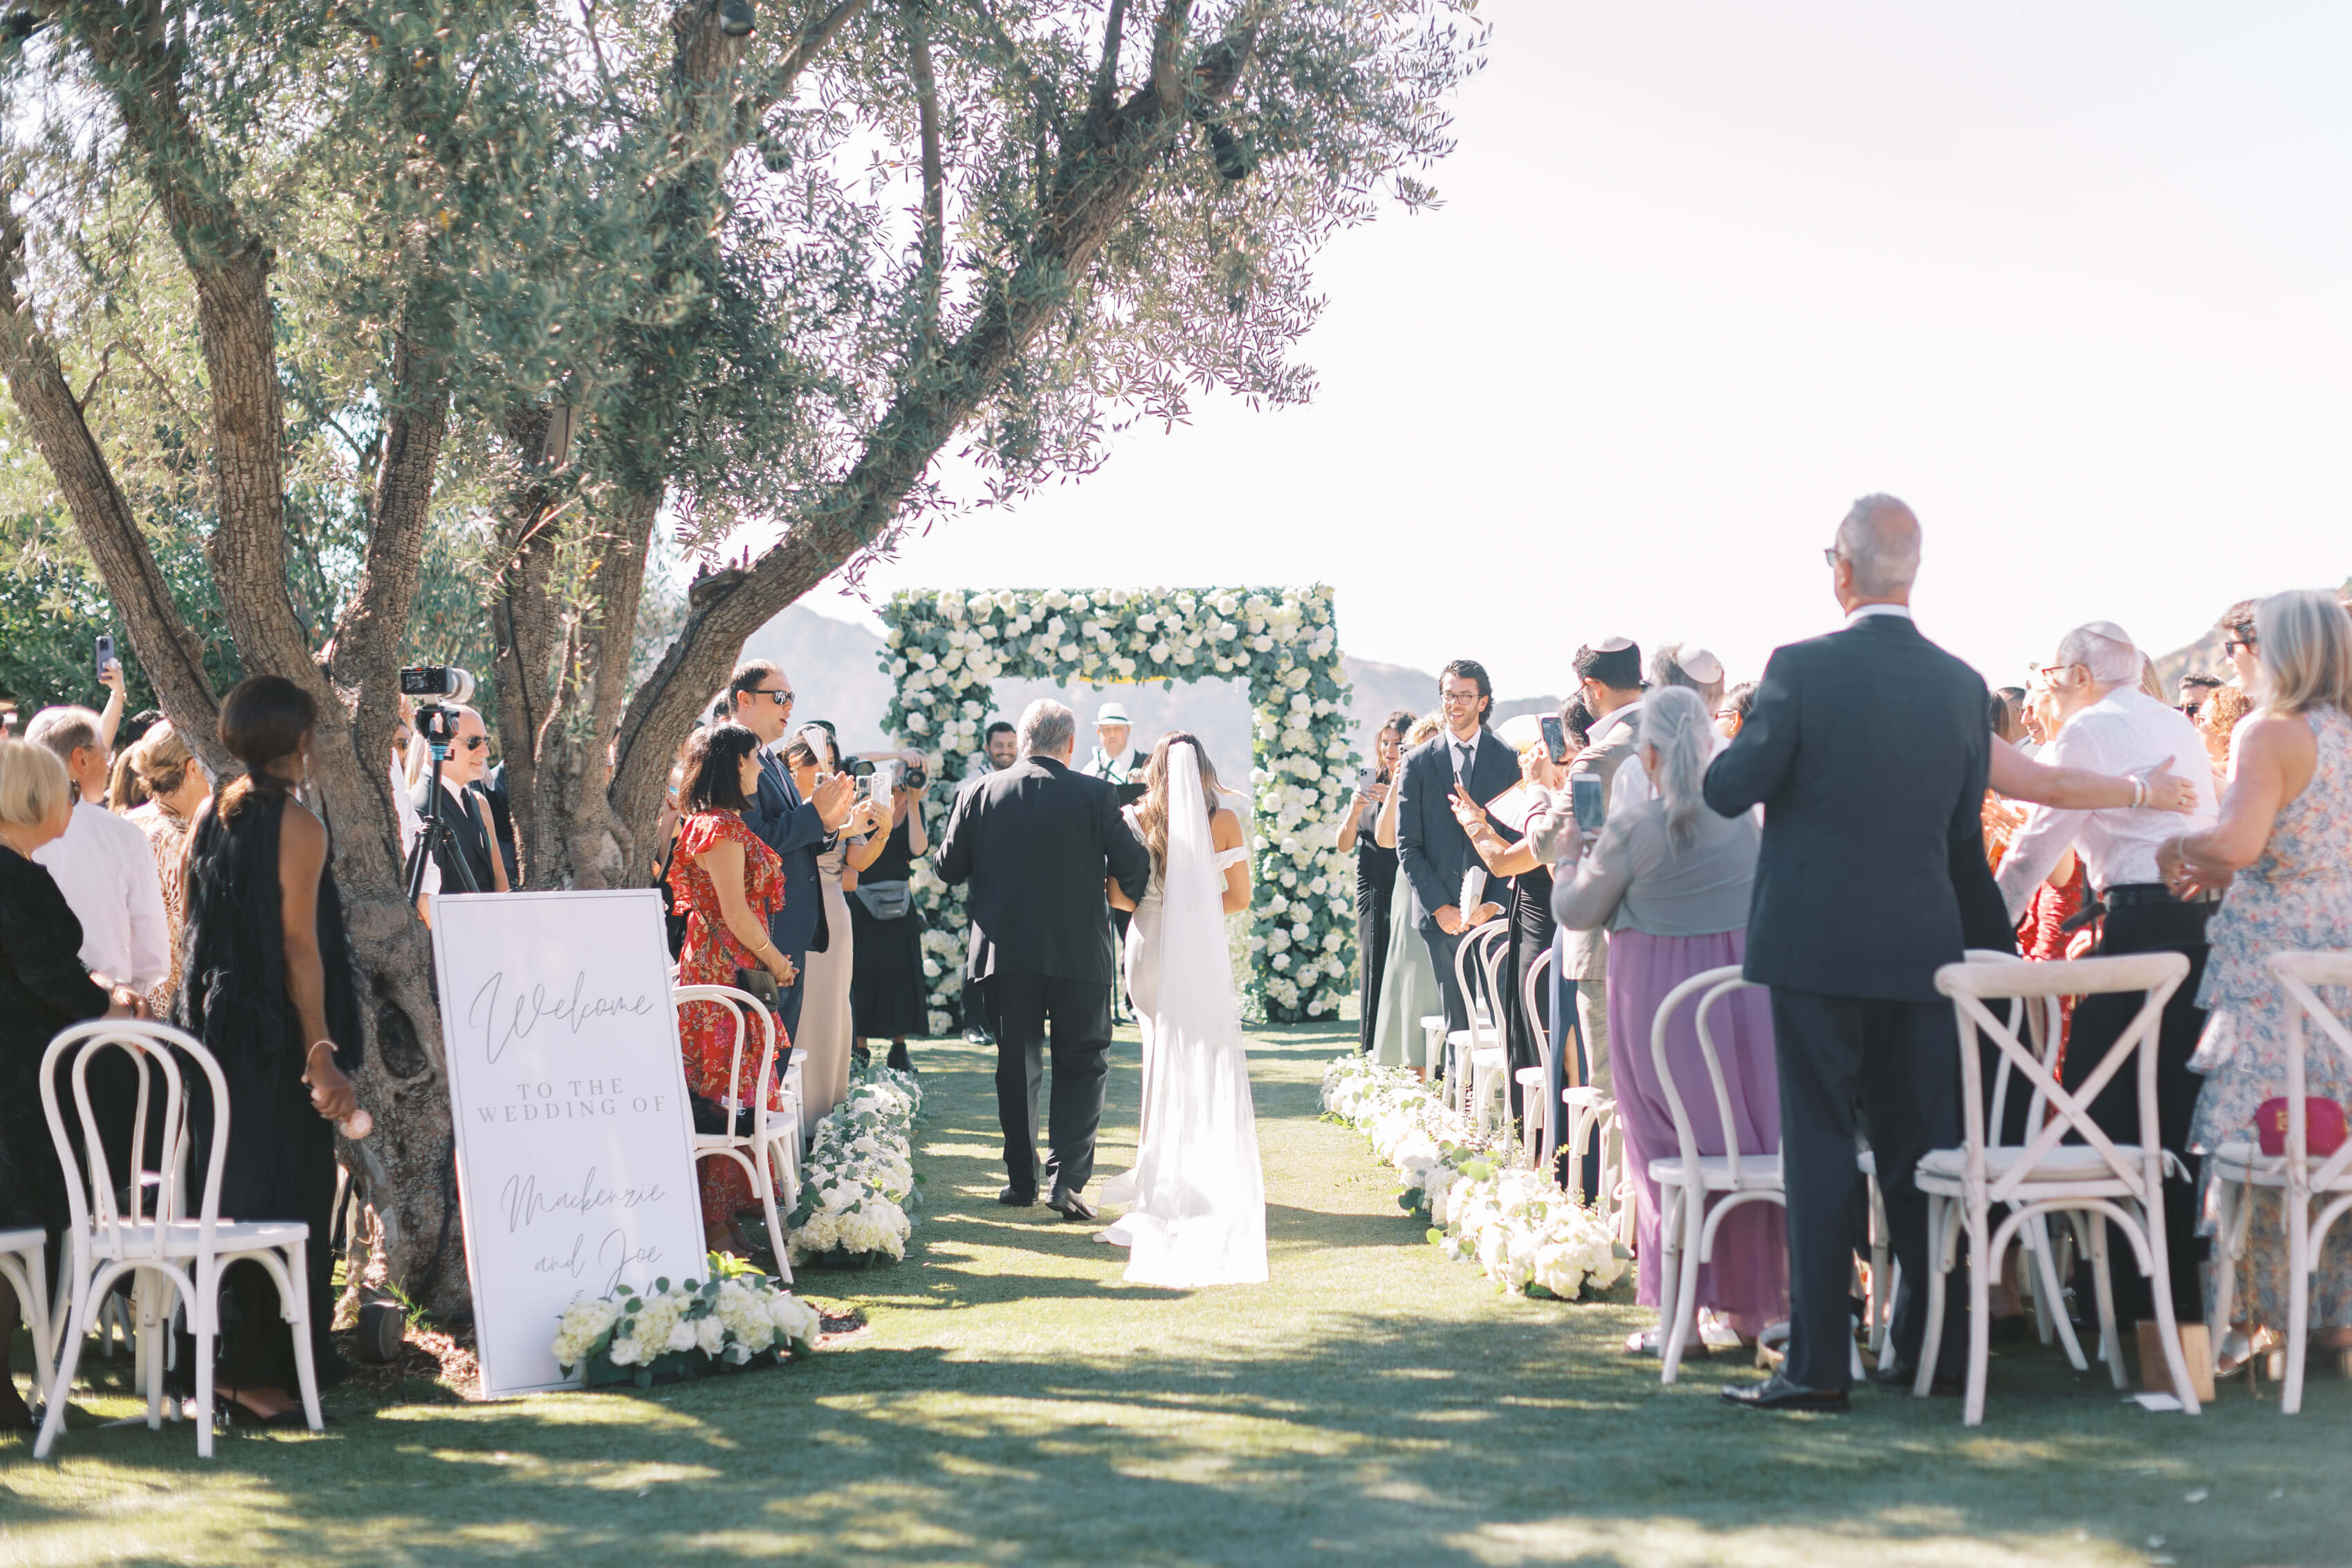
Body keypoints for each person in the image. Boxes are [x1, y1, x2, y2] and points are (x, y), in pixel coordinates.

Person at [1702, 494, 1982, 1414]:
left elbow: (1728, 785)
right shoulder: (1960, 684)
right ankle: (1935, 1350)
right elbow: (1958, 832)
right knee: (1918, 1149)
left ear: (1843, 571)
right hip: (1925, 949)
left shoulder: (1800, 669)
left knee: (1820, 1150)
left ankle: (1819, 1364)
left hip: (1816, 947)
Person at [1995, 620, 2220, 1325]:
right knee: (2178, 1112)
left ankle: (2115, 1296)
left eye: (2053, 677)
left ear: (2081, 677)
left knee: (2101, 1109)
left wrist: (1979, 926)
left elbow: (2034, 849)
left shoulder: (2084, 730)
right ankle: (2181, 1295)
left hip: (2137, 925)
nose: (2049, 690)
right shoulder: (2172, 725)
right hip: (2197, 928)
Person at [1551, 686, 1785, 1352]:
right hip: (1742, 1012)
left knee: (1666, 1157)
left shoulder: (1633, 827)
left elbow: (1574, 911)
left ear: (1648, 754)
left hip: (1659, 1013)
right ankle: (1753, 1312)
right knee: (1744, 1146)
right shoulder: (1743, 824)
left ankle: (1680, 1321)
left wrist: (1573, 850)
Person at [2160, 590, 2352, 1372]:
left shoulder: (2270, 731)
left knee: (2262, 1128)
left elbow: (2239, 842)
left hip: (2277, 963)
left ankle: (2259, 1318)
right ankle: (2339, 1316)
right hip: (2342, 954)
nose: (2232, 652)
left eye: (2244, 639)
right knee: (2337, 1130)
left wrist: (2178, 842)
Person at [174, 676, 363, 1423]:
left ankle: (225, 1366)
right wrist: (319, 1047)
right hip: (269, 1035)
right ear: (302, 741)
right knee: (278, 1196)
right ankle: (254, 1375)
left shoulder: (204, 817)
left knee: (225, 1193)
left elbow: (190, 928)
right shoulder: (299, 824)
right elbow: (298, 945)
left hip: (212, 1035)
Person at [935, 699, 1150, 1221]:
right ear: (1071, 744)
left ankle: (1022, 1180)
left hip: (1006, 953)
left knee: (1017, 1065)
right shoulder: (1097, 794)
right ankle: (1067, 1182)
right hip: (1080, 950)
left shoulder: (979, 792)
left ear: (1024, 741)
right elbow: (1136, 865)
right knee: (1083, 1063)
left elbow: (948, 867)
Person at [0, 739, 136, 1432]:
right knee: (24, 1224)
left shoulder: (20, 870)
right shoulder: (14, 878)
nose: (73, 804)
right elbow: (45, 975)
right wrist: (110, 1006)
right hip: (19, 1081)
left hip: (26, 1070)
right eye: (65, 792)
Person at [1097, 734, 1265, 1286]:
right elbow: (1238, 898)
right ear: (1206, 769)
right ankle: (1197, 1180)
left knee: (1157, 1061)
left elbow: (1119, 898)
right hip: (1197, 947)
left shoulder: (1133, 817)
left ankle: (1161, 1183)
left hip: (1146, 945)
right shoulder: (1226, 822)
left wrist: (1157, 902)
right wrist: (1192, 905)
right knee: (1199, 1061)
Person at [666, 723, 798, 1254]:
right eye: (754, 759)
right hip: (723, 975)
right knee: (724, 1097)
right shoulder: (715, 828)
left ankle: (725, 1217)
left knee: (739, 1091)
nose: (762, 768)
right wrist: (777, 961)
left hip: (732, 969)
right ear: (732, 764)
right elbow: (735, 913)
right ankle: (710, 1223)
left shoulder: (724, 823)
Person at [731, 661, 854, 1047]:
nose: (789, 707)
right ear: (745, 699)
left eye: (792, 698)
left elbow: (799, 832)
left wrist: (830, 823)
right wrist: (813, 813)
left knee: (778, 1053)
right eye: (779, 697)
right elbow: (755, 841)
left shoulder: (769, 759)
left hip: (790, 928)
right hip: (762, 931)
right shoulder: (734, 758)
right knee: (757, 1055)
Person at [1394, 659, 1517, 1040]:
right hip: (1439, 915)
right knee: (1458, 1025)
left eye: (1465, 695)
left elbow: (1515, 839)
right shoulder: (1416, 762)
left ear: (1483, 702)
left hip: (1495, 914)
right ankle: (1460, 1102)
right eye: (1449, 695)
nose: (1455, 704)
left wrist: (1493, 904)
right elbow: (1408, 845)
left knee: (1505, 1018)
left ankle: (1508, 1098)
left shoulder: (1509, 760)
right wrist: (1440, 907)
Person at [781, 725, 890, 1127]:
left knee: (833, 1010)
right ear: (796, 762)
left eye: (832, 757)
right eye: (819, 758)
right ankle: (795, 1111)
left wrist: (882, 831)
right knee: (802, 1010)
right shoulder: (786, 801)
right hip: (796, 910)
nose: (828, 766)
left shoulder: (844, 802)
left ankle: (827, 1112)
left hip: (835, 914)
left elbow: (857, 867)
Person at [24, 705, 170, 1002]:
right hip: (105, 1020)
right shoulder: (123, 837)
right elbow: (152, 956)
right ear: (80, 758)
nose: (109, 765)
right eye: (106, 755)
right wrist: (127, 1004)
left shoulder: (14, 830)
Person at [1367, 714, 1444, 1070]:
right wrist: (1399, 782)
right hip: (1407, 889)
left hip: (1446, 886)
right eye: (1415, 748)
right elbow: (1385, 839)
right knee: (1410, 980)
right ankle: (1415, 1076)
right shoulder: (1406, 782)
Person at [1337, 711, 1413, 1056]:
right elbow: (1343, 844)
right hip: (1369, 883)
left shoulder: (1412, 783)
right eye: (1385, 742)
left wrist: (1391, 799)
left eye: (1398, 742)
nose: (1390, 749)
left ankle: (1398, 1047)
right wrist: (1354, 811)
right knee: (1372, 959)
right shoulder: (1369, 784)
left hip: (1401, 879)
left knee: (1399, 961)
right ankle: (1369, 1048)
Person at [126, 723, 210, 1022]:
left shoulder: (128, 822)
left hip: (131, 1004)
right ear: (193, 769)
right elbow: (192, 934)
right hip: (173, 1015)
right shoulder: (180, 839)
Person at [850, 764, 930, 1076]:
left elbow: (918, 848)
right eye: (904, 768)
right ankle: (860, 1049)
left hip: (900, 904)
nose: (906, 775)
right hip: (864, 900)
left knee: (902, 974)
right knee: (863, 973)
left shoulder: (914, 806)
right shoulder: (866, 802)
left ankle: (900, 1049)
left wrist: (912, 801)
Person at [406, 703, 510, 910]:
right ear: (436, 743)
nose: (486, 752)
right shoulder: (419, 808)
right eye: (474, 742)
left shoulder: (470, 799)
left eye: (485, 741)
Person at [957, 721, 1018, 1046]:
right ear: (987, 747)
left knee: (1016, 957)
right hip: (984, 882)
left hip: (1021, 882)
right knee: (978, 953)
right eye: (1000, 746)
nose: (1006, 751)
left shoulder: (1023, 776)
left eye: (1011, 745)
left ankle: (1006, 1022)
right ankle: (973, 1021)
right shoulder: (972, 784)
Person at [1082, 703, 1148, 786]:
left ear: (1128, 730)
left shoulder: (1146, 766)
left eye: (1118, 729)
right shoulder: (1090, 771)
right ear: (1099, 732)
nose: (1112, 735)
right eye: (1107, 729)